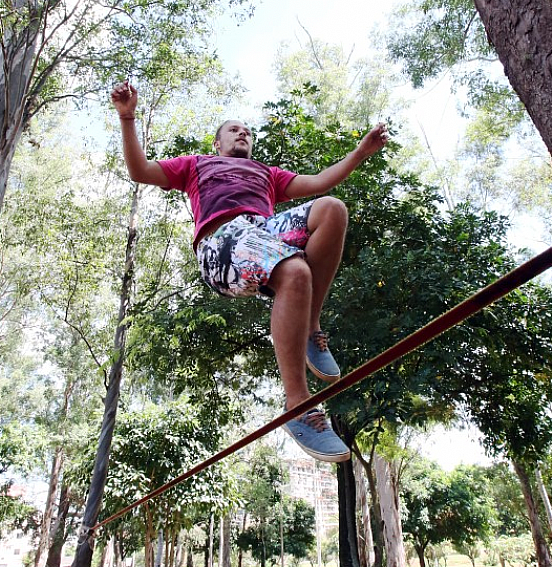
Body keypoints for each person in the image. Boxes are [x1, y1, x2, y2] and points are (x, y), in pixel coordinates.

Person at [111, 81, 389, 464]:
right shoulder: (196, 165)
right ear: (218, 144)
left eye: (247, 131)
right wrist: (128, 117)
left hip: (261, 234)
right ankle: (298, 406)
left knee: (332, 210)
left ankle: (310, 326)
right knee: (295, 273)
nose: (243, 133)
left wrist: (360, 152)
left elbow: (322, 182)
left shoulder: (267, 174)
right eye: (233, 129)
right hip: (220, 246)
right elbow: (140, 170)